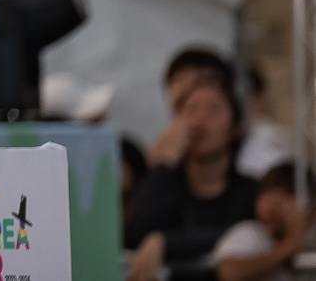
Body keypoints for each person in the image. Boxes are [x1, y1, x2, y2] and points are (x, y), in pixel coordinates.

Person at [126, 77, 305, 281]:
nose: (200, 119)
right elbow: (135, 233)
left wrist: (165, 241)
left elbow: (238, 229)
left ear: (236, 126)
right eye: (191, 109)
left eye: (213, 110)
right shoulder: (166, 183)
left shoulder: (251, 190)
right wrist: (162, 166)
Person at [207, 167, 305, 281]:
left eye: (282, 199)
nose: (270, 207)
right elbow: (229, 273)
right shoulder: (251, 232)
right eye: (267, 194)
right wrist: (289, 246)